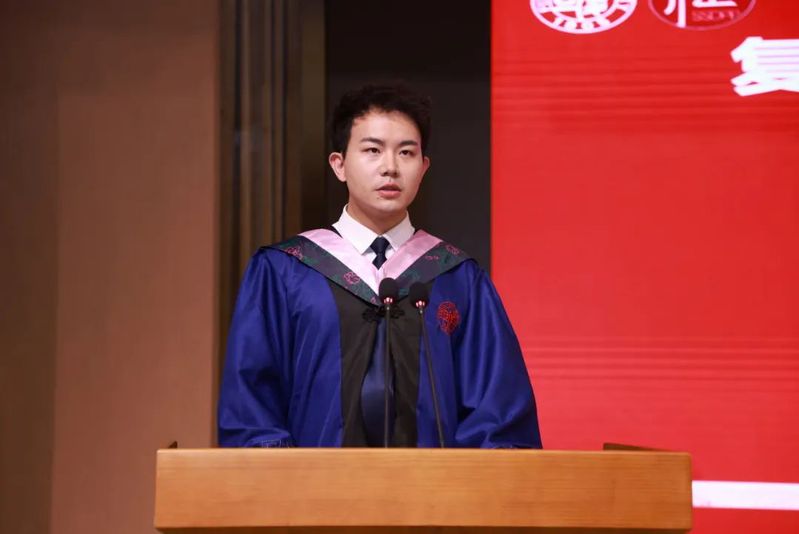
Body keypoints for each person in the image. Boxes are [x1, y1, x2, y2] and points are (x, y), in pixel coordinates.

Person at [218, 84, 542, 448]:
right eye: (372, 150)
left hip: (433, 484)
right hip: (316, 483)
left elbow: (498, 412)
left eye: (406, 152)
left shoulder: (458, 278)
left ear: (424, 167)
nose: (390, 167)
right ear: (339, 165)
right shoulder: (285, 272)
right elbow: (252, 406)